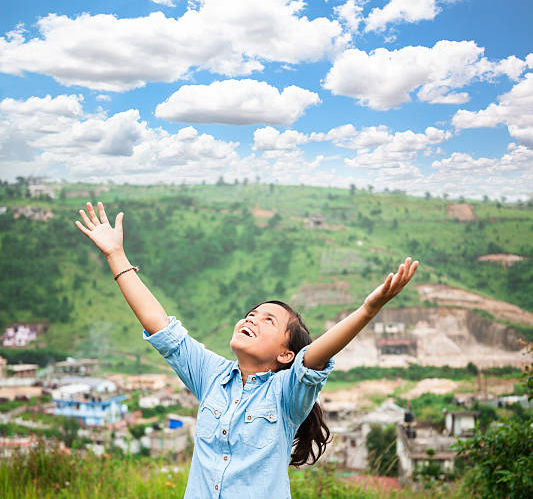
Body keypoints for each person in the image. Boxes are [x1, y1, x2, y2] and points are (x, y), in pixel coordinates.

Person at [75, 201, 418, 498]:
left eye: (268, 320)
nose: (251, 319)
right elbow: (161, 327)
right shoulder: (211, 376)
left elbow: (314, 358)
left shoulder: (287, 395)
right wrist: (116, 255)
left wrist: (368, 310)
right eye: (251, 314)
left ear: (286, 354)